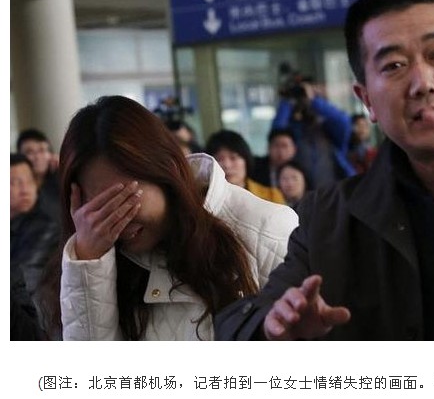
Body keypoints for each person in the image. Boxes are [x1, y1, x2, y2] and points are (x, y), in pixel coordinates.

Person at [215, 0, 434, 340]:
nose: (423, 83)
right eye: (394, 65)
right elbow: (239, 325)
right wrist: (275, 330)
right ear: (366, 99)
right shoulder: (327, 221)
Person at [39, 96, 298, 340]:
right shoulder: (93, 256)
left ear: (166, 170)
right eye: (98, 208)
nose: (116, 220)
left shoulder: (267, 228)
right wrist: (88, 264)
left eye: (124, 198)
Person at [272, 71, 355, 190]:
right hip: (301, 194)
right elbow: (277, 133)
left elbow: (343, 121)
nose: (303, 101)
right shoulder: (291, 129)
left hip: (333, 191)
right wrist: (288, 99)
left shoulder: (327, 130)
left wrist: (314, 99)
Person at [10, 153, 60, 303]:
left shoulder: (46, 227)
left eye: (29, 181)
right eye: (13, 183)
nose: (25, 190)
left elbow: (21, 282)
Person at [205, 129, 286, 205]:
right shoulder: (203, 199)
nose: (227, 165)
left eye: (233, 158)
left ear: (246, 160)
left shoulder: (272, 197)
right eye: (219, 159)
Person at [16, 128, 60, 221]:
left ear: (51, 154)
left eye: (42, 150)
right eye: (29, 152)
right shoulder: (16, 190)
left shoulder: (60, 179)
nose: (37, 157)